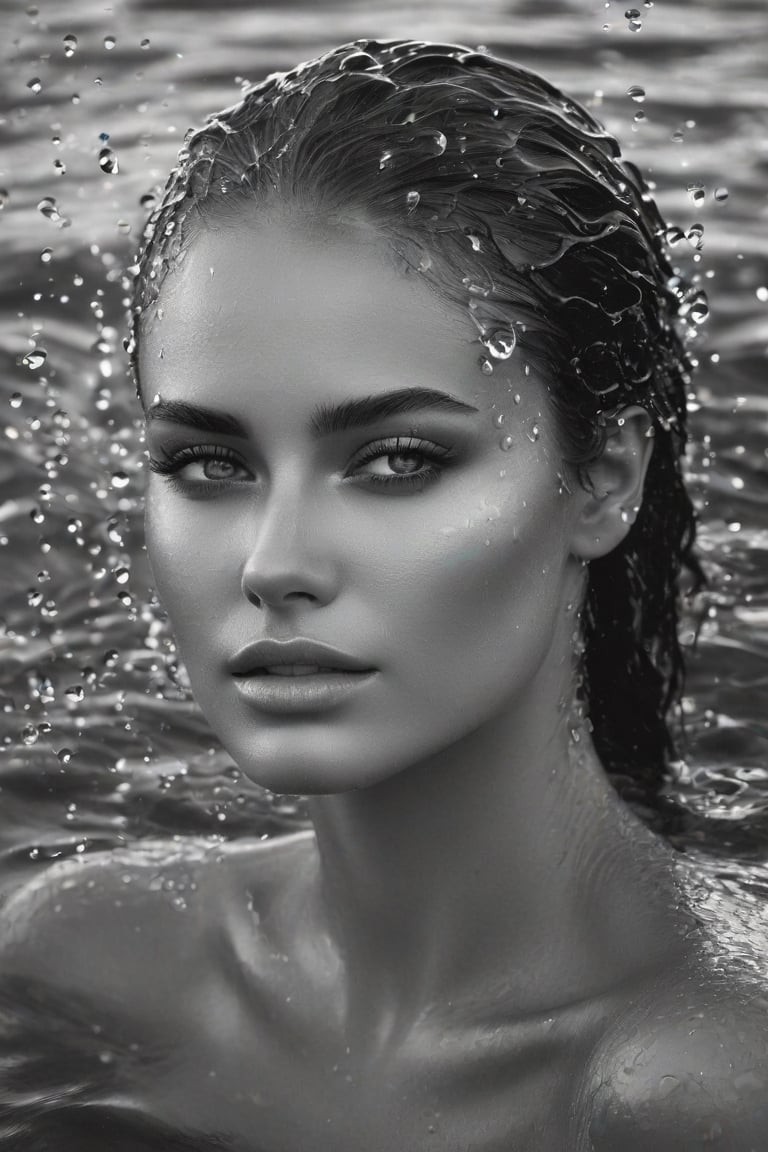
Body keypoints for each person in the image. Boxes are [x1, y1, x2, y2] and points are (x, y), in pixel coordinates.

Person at [2, 37, 767, 1151]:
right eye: (208, 464)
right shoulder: (81, 962)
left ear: (605, 478)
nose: (273, 563)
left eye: (398, 460)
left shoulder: (699, 1090)